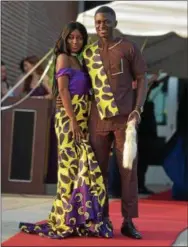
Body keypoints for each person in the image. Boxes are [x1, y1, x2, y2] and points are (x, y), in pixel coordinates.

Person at [19, 21, 113, 239]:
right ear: (64, 38)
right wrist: (71, 119)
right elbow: (62, 89)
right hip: (68, 120)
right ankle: (64, 219)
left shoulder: (80, 61)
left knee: (83, 168)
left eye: (79, 38)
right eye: (71, 37)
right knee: (69, 169)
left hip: (81, 118)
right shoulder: (62, 57)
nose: (75, 41)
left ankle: (77, 217)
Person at [83, 6, 148, 239]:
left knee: (128, 171)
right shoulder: (88, 53)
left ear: (115, 22)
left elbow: (142, 78)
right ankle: (102, 220)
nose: (102, 26)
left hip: (124, 121)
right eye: (98, 22)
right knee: (98, 173)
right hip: (97, 121)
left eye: (106, 22)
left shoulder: (128, 48)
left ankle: (128, 222)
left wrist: (137, 109)